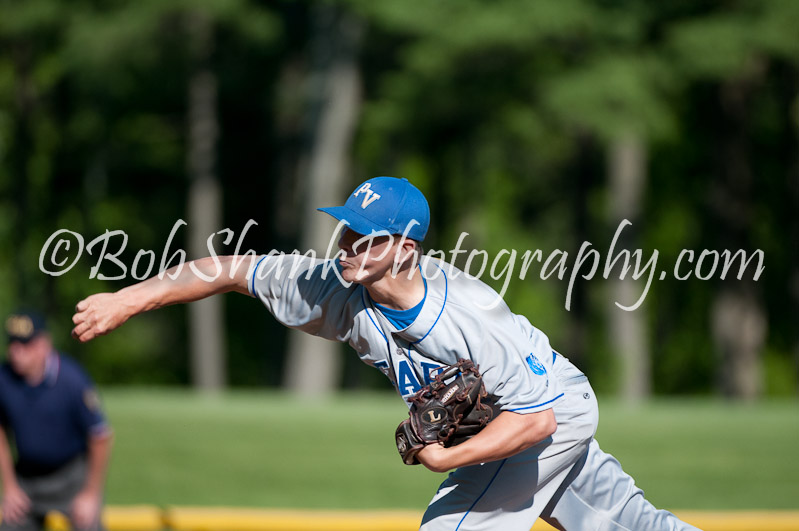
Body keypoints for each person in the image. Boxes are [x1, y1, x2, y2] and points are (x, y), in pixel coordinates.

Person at [71, 176, 698, 530]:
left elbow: (538, 419)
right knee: (630, 523)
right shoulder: (334, 288)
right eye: (345, 227)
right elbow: (232, 270)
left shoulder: (465, 314)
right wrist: (128, 299)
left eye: (365, 236)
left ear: (405, 248)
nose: (346, 243)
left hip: (546, 411)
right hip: (531, 413)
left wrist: (448, 457)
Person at [0, 311, 113, 531]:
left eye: (25, 345)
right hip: (27, 477)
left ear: (44, 344)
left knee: (89, 523)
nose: (16, 352)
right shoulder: (4, 379)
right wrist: (10, 487)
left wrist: (91, 494)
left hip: (71, 476)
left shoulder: (72, 379)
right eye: (12, 344)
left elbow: (100, 435)